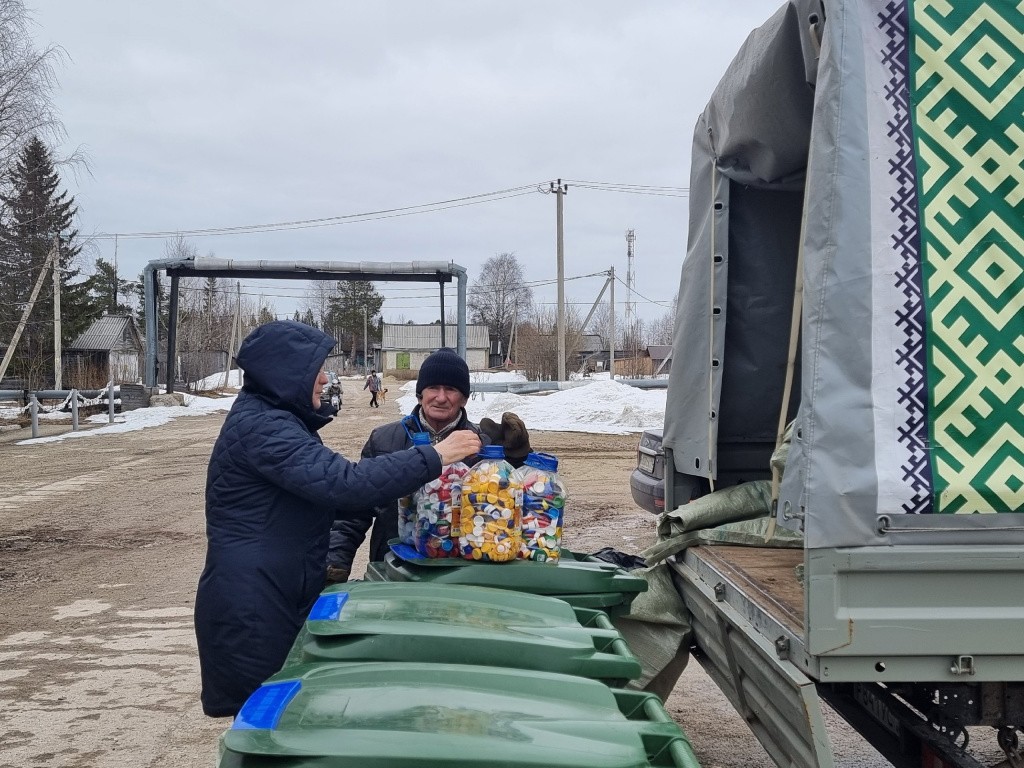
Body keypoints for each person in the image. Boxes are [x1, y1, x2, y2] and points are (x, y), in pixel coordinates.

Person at [194, 323, 480, 718]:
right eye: (317, 370)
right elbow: (346, 486)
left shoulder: (274, 420)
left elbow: (330, 498)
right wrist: (435, 456)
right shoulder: (266, 429)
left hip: (271, 589)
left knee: (283, 710)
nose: (326, 379)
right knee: (266, 719)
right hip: (255, 604)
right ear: (285, 374)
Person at [326, 347, 530, 582]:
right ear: (420, 393)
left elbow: (517, 506)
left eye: (451, 389)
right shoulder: (385, 440)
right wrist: (334, 563)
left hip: (465, 575)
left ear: (464, 398)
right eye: (433, 387)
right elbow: (353, 511)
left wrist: (518, 456)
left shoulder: (483, 444)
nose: (441, 397)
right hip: (394, 570)